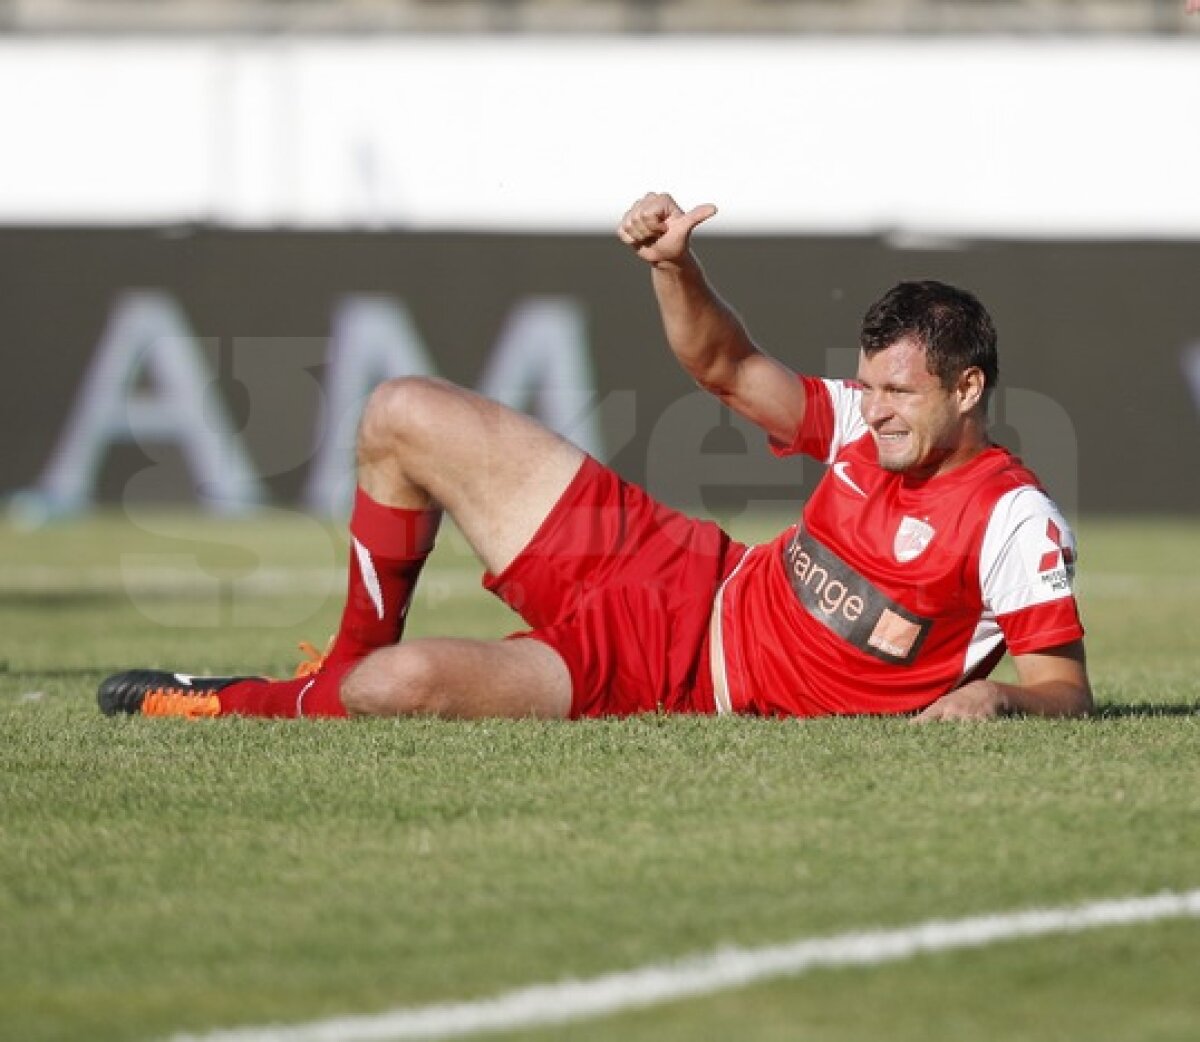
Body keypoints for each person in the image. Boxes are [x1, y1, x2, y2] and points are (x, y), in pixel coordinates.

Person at [98, 193, 1091, 724]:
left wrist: (995, 695)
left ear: (968, 389)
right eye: (867, 387)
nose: (873, 412)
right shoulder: (858, 426)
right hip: (677, 565)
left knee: (394, 692)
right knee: (402, 411)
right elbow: (725, 365)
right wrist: (675, 269)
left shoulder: (1011, 517)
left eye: (899, 394)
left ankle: (229, 701)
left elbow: (1064, 689)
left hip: (673, 676)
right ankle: (337, 662)